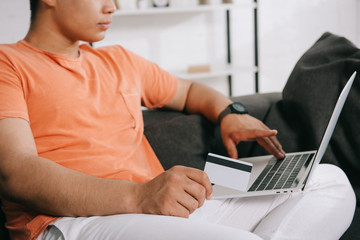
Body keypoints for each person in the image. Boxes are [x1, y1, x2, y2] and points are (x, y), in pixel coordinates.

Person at [0, 0, 355, 239]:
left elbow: (187, 92)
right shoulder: (9, 64)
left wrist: (230, 113)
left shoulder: (118, 60)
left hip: (158, 209)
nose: (114, 6)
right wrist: (139, 196)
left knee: (331, 183)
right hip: (74, 221)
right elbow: (16, 173)